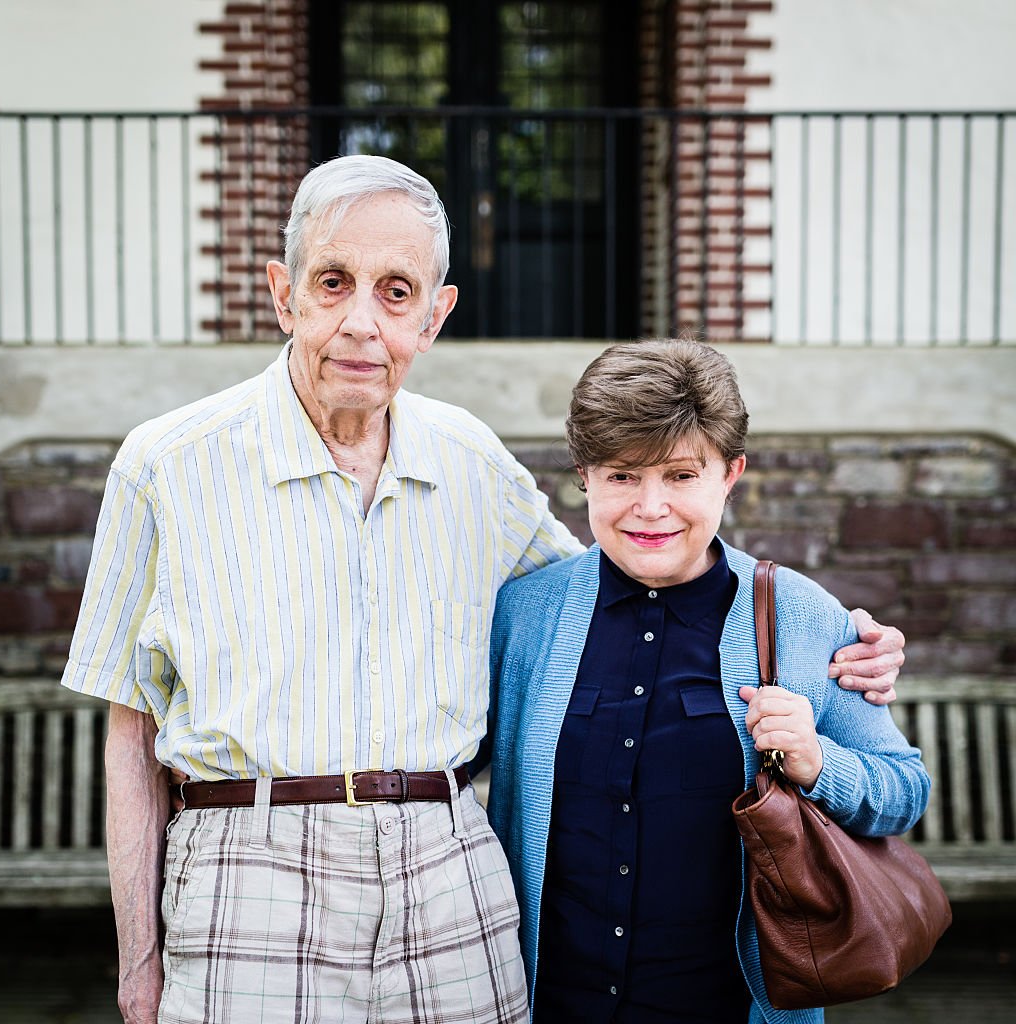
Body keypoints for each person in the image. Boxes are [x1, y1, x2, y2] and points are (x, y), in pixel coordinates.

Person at [61, 156, 905, 1024]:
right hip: (251, 874)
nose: (361, 322)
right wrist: (137, 963)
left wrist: (830, 637)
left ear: (434, 315)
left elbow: (629, 565)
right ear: (284, 295)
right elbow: (132, 729)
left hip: (449, 876)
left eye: (396, 292)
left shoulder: (470, 461)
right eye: (332, 282)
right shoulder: (165, 464)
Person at [484, 338, 930, 1024]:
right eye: (622, 476)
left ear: (730, 474)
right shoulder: (524, 617)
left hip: (727, 1007)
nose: (650, 507)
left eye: (681, 475)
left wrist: (819, 763)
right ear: (585, 478)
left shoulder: (799, 615)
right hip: (551, 1003)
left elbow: (904, 791)